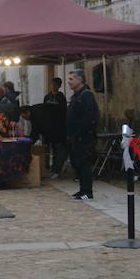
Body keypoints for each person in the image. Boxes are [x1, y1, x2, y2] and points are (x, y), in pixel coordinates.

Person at [66, 69, 99, 200]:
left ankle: (87, 191)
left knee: (84, 163)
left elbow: (88, 117)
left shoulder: (86, 95)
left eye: (71, 79)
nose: (69, 82)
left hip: (84, 137)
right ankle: (82, 189)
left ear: (80, 80)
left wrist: (80, 134)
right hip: (75, 136)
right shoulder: (76, 95)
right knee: (77, 163)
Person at [42, 77, 68, 172]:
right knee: (46, 148)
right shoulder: (47, 97)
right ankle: (46, 167)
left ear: (59, 86)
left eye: (55, 85)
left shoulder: (61, 97)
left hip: (58, 127)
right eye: (52, 84)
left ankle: (56, 168)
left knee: (57, 149)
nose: (53, 86)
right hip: (48, 127)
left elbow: (63, 112)